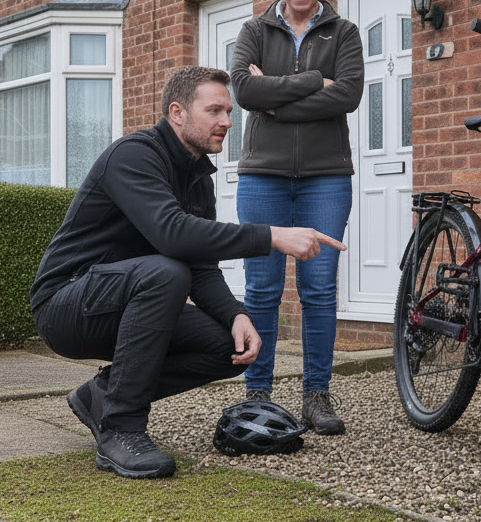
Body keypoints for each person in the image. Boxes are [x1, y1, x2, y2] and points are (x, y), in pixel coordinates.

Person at [30, 66, 345, 480]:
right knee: (165, 272)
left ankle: (103, 396)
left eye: (229, 112)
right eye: (214, 110)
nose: (227, 122)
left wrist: (236, 315)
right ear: (177, 112)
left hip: (130, 300)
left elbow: (200, 266)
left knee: (229, 345)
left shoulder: (197, 179)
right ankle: (120, 430)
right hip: (68, 305)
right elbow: (173, 236)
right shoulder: (133, 155)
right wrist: (272, 236)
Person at [229, 0, 364, 435]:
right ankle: (257, 395)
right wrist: (312, 83)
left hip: (326, 179)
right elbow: (243, 89)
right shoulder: (254, 29)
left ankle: (316, 396)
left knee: (318, 290)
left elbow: (348, 96)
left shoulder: (344, 33)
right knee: (261, 290)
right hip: (262, 175)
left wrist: (275, 96)